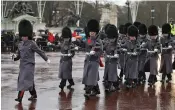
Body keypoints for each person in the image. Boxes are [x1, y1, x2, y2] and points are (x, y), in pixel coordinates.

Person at [12, 19, 50, 103]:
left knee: (23, 81)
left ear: (28, 35)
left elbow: (39, 51)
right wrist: (14, 58)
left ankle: (20, 98)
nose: (24, 37)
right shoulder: (20, 44)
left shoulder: (32, 43)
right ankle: (34, 94)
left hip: (29, 66)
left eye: (25, 36)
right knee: (29, 81)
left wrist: (46, 59)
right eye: (22, 36)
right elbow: (18, 56)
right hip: (22, 66)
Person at [72, 19, 103, 99]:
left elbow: (100, 50)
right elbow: (83, 44)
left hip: (94, 61)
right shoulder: (89, 39)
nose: (91, 33)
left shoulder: (98, 40)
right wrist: (76, 42)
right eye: (90, 32)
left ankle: (88, 91)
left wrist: (95, 53)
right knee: (88, 75)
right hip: (87, 61)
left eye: (93, 32)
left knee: (91, 76)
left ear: (96, 32)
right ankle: (96, 90)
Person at [103, 25, 120, 92]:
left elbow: (117, 49)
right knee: (107, 73)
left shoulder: (116, 44)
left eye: (112, 38)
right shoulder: (107, 42)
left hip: (113, 61)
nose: (111, 40)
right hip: (107, 60)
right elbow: (103, 48)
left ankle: (113, 85)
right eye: (110, 38)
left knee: (112, 74)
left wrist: (115, 54)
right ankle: (110, 86)